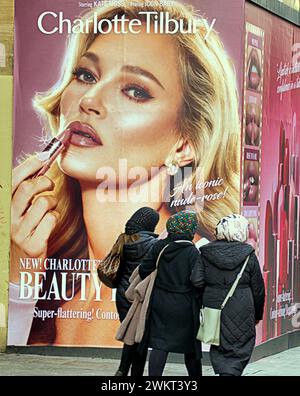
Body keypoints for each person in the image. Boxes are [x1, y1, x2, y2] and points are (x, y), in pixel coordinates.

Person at [10, 0, 241, 346]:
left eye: (135, 90)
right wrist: (20, 281)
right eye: (86, 74)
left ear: (184, 144)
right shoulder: (48, 267)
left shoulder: (195, 271)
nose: (89, 99)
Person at [191, 214, 265, 376]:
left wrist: (208, 293)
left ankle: (225, 372)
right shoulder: (248, 254)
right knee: (241, 342)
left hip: (213, 305)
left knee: (217, 342)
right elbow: (258, 288)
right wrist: (258, 314)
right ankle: (231, 373)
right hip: (242, 306)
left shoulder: (206, 253)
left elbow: (196, 281)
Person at [138, 211, 202, 377]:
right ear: (190, 229)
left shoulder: (160, 246)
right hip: (185, 305)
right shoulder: (192, 252)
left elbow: (144, 270)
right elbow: (197, 280)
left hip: (160, 301)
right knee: (191, 348)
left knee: (160, 344)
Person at [102, 207, 159, 376]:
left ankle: (122, 370)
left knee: (129, 334)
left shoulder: (123, 240)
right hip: (141, 296)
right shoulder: (153, 244)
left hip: (122, 294)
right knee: (140, 337)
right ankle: (136, 373)